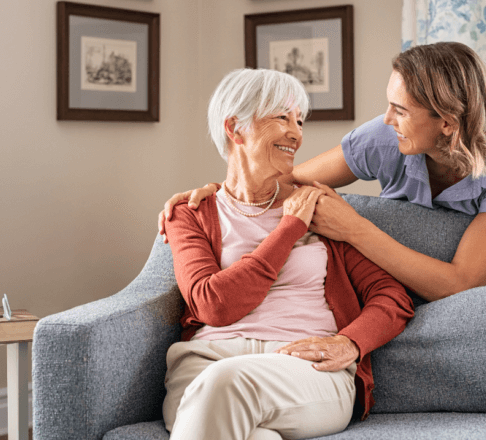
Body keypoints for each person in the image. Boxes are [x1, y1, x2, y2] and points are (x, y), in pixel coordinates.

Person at [160, 42, 486, 303]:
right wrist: (219, 191)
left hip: (456, 304)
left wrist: (353, 227)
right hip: (382, 292)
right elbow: (283, 184)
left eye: (401, 110)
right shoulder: (384, 138)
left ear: (446, 123)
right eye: (389, 104)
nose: (386, 118)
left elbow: (462, 283)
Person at [163, 68, 414, 440]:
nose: (296, 133)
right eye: (282, 117)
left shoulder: (321, 208)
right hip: (206, 363)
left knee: (226, 384)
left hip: (305, 368)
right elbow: (213, 306)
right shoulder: (191, 212)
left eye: (299, 120)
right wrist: (289, 229)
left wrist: (349, 343)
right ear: (235, 128)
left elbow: (393, 298)